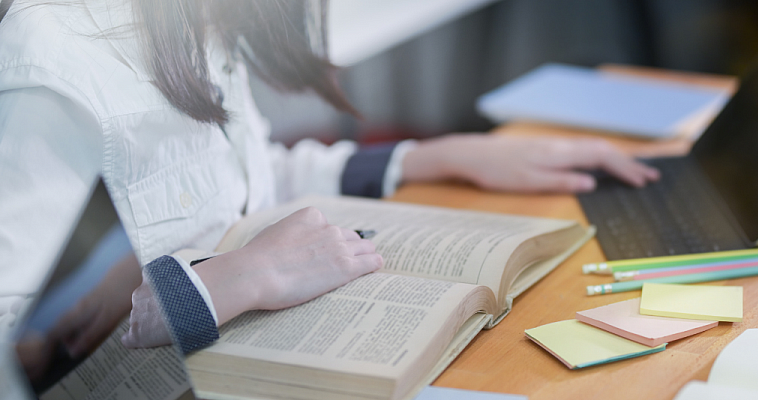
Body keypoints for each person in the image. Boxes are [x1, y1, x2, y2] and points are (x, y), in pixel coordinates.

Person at [0, 0, 659, 355]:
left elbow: (243, 186)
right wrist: (221, 282)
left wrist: (434, 158)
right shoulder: (51, 63)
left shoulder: (201, 19)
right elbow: (16, 352)